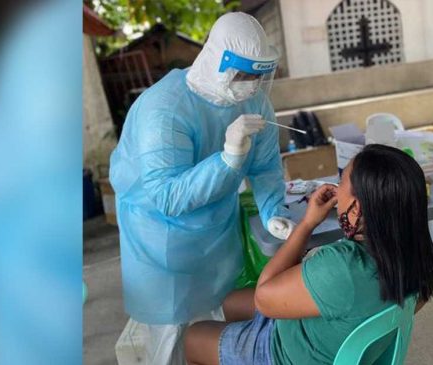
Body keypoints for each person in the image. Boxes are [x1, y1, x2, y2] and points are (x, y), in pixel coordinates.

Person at [109, 12, 294, 363]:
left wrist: (274, 211)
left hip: (215, 236)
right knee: (168, 341)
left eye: (259, 75)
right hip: (161, 242)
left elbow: (266, 165)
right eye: (244, 74)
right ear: (219, 62)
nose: (252, 84)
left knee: (214, 330)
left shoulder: (253, 101)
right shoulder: (163, 110)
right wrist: (228, 158)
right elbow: (167, 196)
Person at [184, 144, 433, 365]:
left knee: (193, 337)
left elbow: (265, 299)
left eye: (342, 181)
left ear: (357, 209)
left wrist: (307, 224)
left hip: (284, 353)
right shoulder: (414, 254)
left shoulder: (342, 265)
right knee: (230, 302)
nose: (336, 186)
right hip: (320, 334)